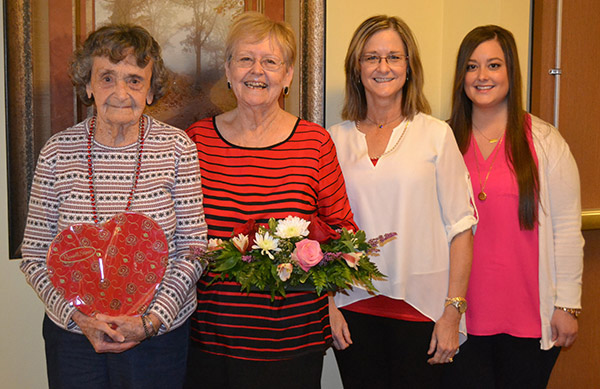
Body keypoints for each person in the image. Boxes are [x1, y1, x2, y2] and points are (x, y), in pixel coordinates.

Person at [20, 24, 207, 388]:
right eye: (107, 77)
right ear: (88, 86)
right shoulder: (58, 152)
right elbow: (34, 254)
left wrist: (150, 321)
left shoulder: (178, 148)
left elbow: (194, 249)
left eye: (135, 80)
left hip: (158, 338)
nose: (121, 92)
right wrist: (79, 319)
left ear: (151, 91)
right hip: (75, 340)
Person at [183, 11, 357, 389]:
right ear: (228, 71)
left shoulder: (315, 143)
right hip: (212, 339)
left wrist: (325, 291)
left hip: (294, 339)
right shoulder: (196, 141)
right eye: (245, 59)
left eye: (270, 61)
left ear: (288, 75)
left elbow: (342, 232)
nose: (256, 71)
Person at [327, 15, 477, 388]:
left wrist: (452, 312)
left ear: (409, 68)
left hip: (421, 312)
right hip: (352, 312)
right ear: (356, 69)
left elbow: (461, 230)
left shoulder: (435, 135)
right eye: (371, 57)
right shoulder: (332, 141)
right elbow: (321, 234)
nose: (382, 67)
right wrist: (327, 307)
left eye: (394, 57)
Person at [443, 25, 584, 388]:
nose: (482, 76)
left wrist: (566, 305)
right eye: (472, 66)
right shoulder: (442, 140)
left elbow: (567, 229)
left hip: (528, 319)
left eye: (494, 65)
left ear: (511, 72)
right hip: (459, 319)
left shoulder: (545, 141)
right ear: (461, 76)